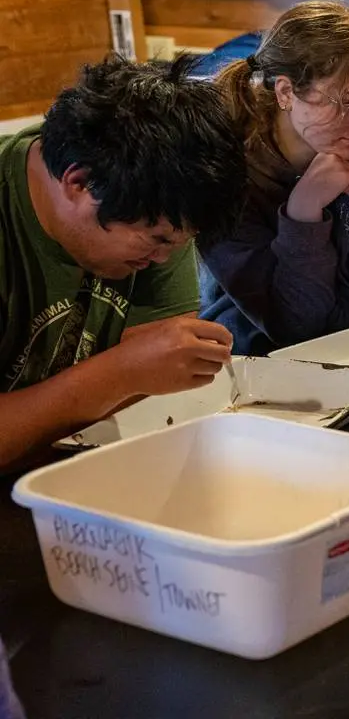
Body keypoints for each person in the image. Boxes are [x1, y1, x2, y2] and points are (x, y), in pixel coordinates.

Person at [0, 57, 247, 469]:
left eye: (182, 243)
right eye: (158, 241)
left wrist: (134, 374)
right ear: (78, 183)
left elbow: (161, 378)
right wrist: (118, 374)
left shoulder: (159, 196)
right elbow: (137, 375)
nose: (165, 259)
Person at [198, 0, 349, 355]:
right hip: (243, 369)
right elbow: (291, 323)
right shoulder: (221, 164)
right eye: (347, 103)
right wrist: (304, 211)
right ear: (286, 92)